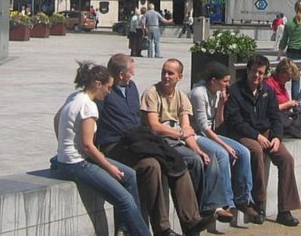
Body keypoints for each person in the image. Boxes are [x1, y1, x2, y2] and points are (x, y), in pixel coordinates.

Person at [95, 54, 209, 236]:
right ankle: (162, 228)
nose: (133, 75)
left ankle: (191, 220)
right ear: (122, 74)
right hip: (116, 146)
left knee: (175, 159)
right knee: (152, 165)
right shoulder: (104, 93)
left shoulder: (131, 88)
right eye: (130, 72)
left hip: (138, 141)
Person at [50, 61, 150, 236]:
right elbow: (88, 146)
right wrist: (110, 167)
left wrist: (62, 148)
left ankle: (126, 228)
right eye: (108, 87)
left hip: (69, 159)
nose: (109, 91)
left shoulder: (74, 97)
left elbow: (56, 119)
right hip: (77, 164)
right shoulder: (89, 106)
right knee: (125, 200)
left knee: (130, 175)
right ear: (98, 84)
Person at [140, 59, 232, 223]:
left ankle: (212, 206)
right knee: (195, 160)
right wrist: (180, 134)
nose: (166, 76)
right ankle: (201, 208)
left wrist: (198, 150)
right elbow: (155, 126)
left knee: (206, 158)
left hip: (177, 139)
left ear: (180, 77)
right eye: (164, 72)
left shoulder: (181, 96)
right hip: (158, 141)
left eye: (170, 73)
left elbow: (187, 129)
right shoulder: (151, 93)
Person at [220, 54, 301, 227]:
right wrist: (256, 136)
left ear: (265, 74)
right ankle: (259, 203)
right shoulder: (236, 91)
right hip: (243, 134)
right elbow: (235, 121)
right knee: (256, 151)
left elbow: (276, 117)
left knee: (286, 159)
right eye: (253, 71)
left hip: (266, 133)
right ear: (247, 70)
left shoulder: (268, 91)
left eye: (260, 73)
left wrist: (277, 138)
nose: (256, 76)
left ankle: (285, 210)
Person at [189, 62, 260, 223]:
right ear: (214, 80)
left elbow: (218, 124)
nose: (228, 84)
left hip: (210, 133)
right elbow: (203, 127)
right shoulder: (199, 93)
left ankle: (243, 198)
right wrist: (225, 145)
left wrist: (221, 104)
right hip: (197, 135)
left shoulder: (217, 93)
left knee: (243, 152)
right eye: (225, 81)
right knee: (222, 153)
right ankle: (226, 201)